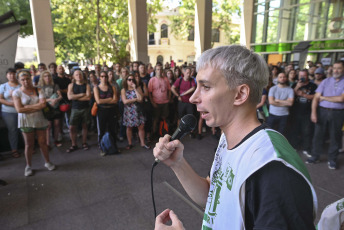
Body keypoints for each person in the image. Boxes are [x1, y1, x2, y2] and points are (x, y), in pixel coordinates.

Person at [153, 45, 317, 230]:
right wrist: (177, 164)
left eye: (205, 87)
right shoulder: (228, 139)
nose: (193, 98)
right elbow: (213, 196)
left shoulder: (272, 170)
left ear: (240, 94)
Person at [13, 71, 56, 176]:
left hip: (39, 119)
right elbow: (19, 109)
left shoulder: (38, 89)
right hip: (26, 121)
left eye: (27, 78)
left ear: (30, 78)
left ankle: (47, 162)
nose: (26, 81)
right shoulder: (16, 93)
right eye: (22, 79)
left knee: (42, 142)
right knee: (29, 144)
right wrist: (35, 107)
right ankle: (28, 166)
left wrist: (27, 107)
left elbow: (43, 105)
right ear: (19, 81)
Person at [307, 60, 344, 170]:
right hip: (322, 111)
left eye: (339, 68)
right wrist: (313, 113)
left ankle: (332, 160)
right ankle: (315, 156)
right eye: (334, 67)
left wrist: (323, 98)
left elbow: (341, 99)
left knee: (335, 137)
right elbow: (315, 98)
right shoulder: (325, 81)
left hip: (338, 113)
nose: (336, 70)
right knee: (318, 135)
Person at [290, 70, 317, 157]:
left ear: (307, 76)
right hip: (295, 112)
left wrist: (303, 95)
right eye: (301, 75)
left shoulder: (313, 86)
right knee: (294, 130)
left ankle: (306, 148)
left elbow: (315, 97)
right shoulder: (295, 84)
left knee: (307, 131)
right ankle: (294, 146)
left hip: (307, 112)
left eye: (304, 75)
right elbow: (290, 95)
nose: (302, 77)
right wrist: (297, 87)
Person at [94, 71, 119, 156]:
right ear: (99, 78)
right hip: (101, 111)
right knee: (101, 130)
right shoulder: (96, 88)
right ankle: (102, 148)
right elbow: (98, 101)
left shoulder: (112, 87)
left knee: (113, 130)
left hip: (112, 111)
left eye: (105, 76)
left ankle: (114, 147)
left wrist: (105, 100)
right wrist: (109, 99)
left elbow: (115, 100)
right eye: (102, 76)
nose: (104, 78)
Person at [121, 74, 150, 149]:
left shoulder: (138, 88)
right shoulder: (123, 90)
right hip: (129, 112)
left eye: (133, 80)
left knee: (141, 127)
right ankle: (129, 143)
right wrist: (135, 99)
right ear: (126, 81)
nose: (131, 81)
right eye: (129, 80)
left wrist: (135, 89)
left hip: (139, 110)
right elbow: (125, 101)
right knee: (129, 127)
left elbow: (140, 99)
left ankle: (143, 143)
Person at [67, 70, 91, 152]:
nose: (78, 76)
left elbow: (88, 98)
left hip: (85, 108)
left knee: (85, 126)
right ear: (73, 76)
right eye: (76, 74)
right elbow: (69, 97)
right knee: (72, 127)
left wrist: (75, 97)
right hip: (75, 108)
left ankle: (84, 143)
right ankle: (74, 144)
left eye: (80, 74)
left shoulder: (86, 85)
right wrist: (81, 94)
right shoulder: (71, 85)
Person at [37, 70, 63, 147]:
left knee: (57, 124)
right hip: (46, 107)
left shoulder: (55, 85)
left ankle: (56, 140)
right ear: (42, 78)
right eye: (45, 76)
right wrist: (50, 100)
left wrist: (56, 100)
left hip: (55, 106)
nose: (47, 77)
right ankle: (47, 143)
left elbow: (60, 96)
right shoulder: (39, 87)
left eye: (48, 76)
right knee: (48, 126)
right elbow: (39, 99)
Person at [0, 68, 21, 158]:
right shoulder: (3, 86)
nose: (12, 76)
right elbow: (1, 99)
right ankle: (14, 149)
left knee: (24, 129)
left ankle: (29, 147)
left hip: (21, 111)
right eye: (10, 74)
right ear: (6, 76)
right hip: (8, 112)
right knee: (12, 130)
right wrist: (12, 104)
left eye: (13, 74)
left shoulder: (20, 85)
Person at [148, 65, 171, 137]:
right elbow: (149, 93)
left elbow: (169, 90)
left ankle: (163, 132)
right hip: (156, 102)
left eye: (160, 69)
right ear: (155, 70)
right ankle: (154, 133)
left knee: (164, 118)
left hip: (165, 102)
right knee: (156, 119)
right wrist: (152, 102)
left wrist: (169, 99)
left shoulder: (166, 79)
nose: (159, 71)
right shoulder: (152, 80)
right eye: (158, 69)